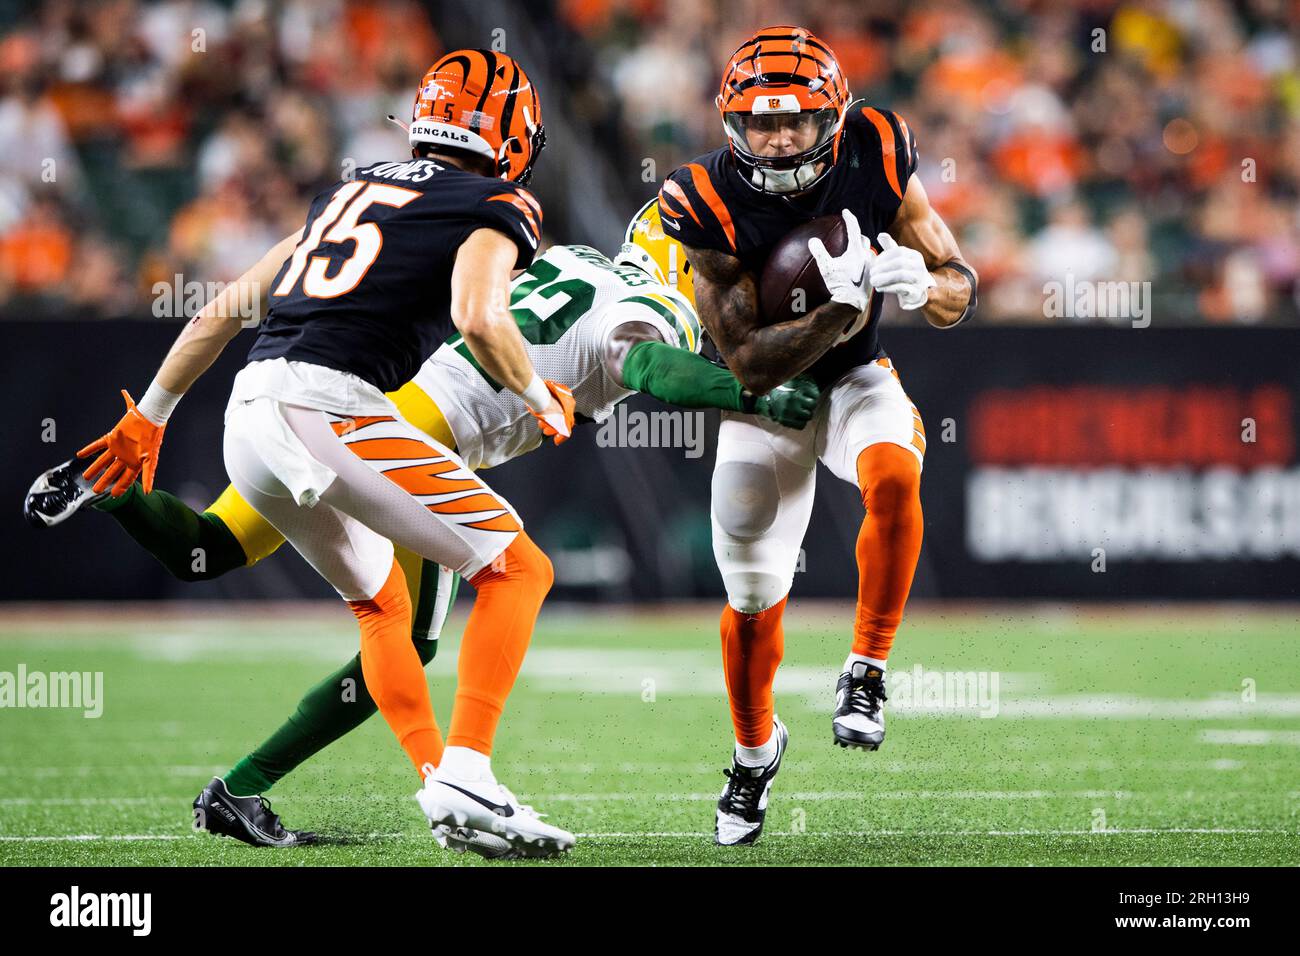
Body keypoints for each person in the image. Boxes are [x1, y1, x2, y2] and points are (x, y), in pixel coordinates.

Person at [658, 25, 978, 845]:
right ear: (731, 122)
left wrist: (925, 281)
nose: (777, 137)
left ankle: (866, 670)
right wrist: (844, 302)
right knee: (754, 599)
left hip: (856, 379)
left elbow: (958, 287)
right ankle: (753, 753)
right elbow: (748, 361)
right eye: (761, 123)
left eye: (796, 119)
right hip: (762, 404)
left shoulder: (876, 143)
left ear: (832, 117)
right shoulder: (703, 197)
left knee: (897, 475)